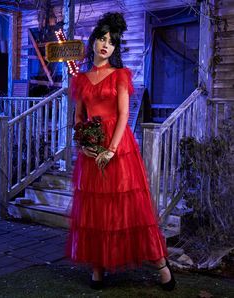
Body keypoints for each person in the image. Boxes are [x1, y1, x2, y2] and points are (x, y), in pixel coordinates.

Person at [66, 12, 176, 291]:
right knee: (96, 211)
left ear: (115, 48)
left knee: (131, 209)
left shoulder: (120, 76)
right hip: (92, 153)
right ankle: (98, 268)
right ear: (93, 42)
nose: (105, 45)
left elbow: (125, 114)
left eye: (111, 42)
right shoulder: (80, 80)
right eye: (102, 39)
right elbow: (79, 117)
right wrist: (85, 145)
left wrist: (111, 150)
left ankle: (162, 267)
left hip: (118, 150)